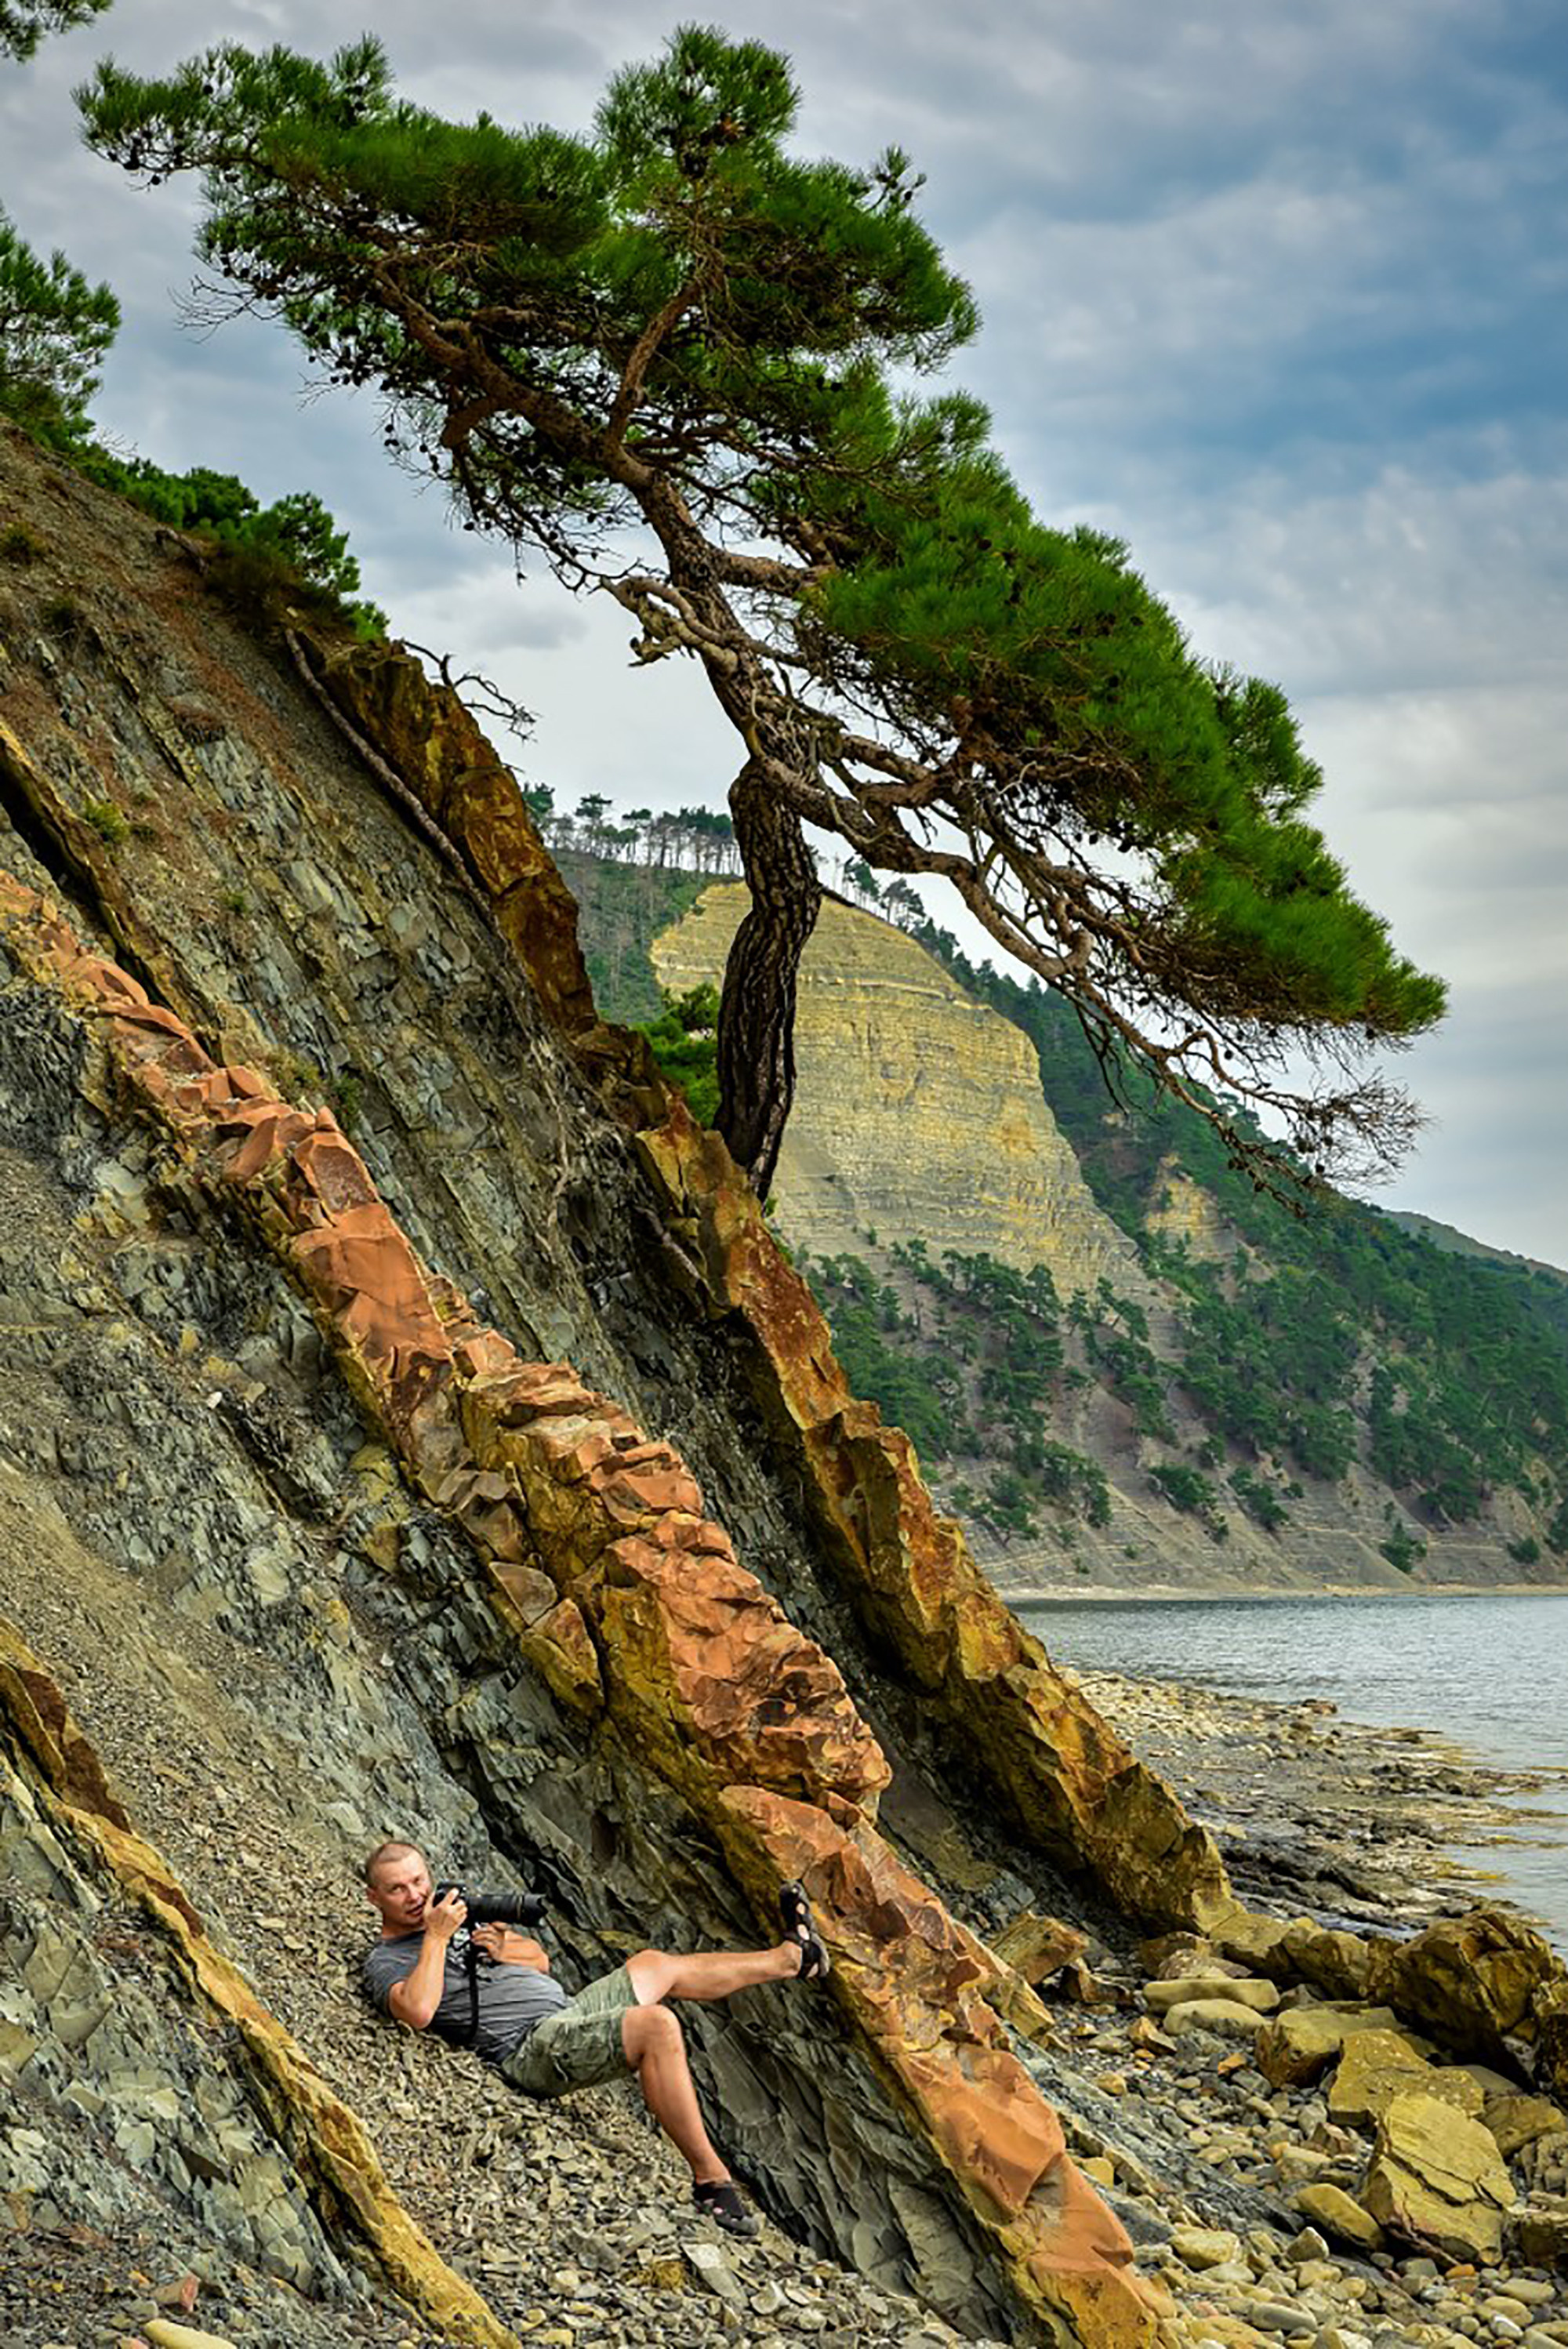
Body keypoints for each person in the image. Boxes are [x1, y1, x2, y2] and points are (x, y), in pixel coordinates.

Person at [361, 1840, 828, 2238]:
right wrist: (437, 1940)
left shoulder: (451, 1923)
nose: (416, 1895)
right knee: (657, 2025)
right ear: (373, 1898)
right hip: (532, 2049)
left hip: (567, 2014)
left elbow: (539, 1961)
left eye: (419, 1881)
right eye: (398, 1889)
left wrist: (503, 1948)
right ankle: (712, 2180)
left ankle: (792, 1958)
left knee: (654, 1965)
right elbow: (418, 2011)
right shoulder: (387, 1961)